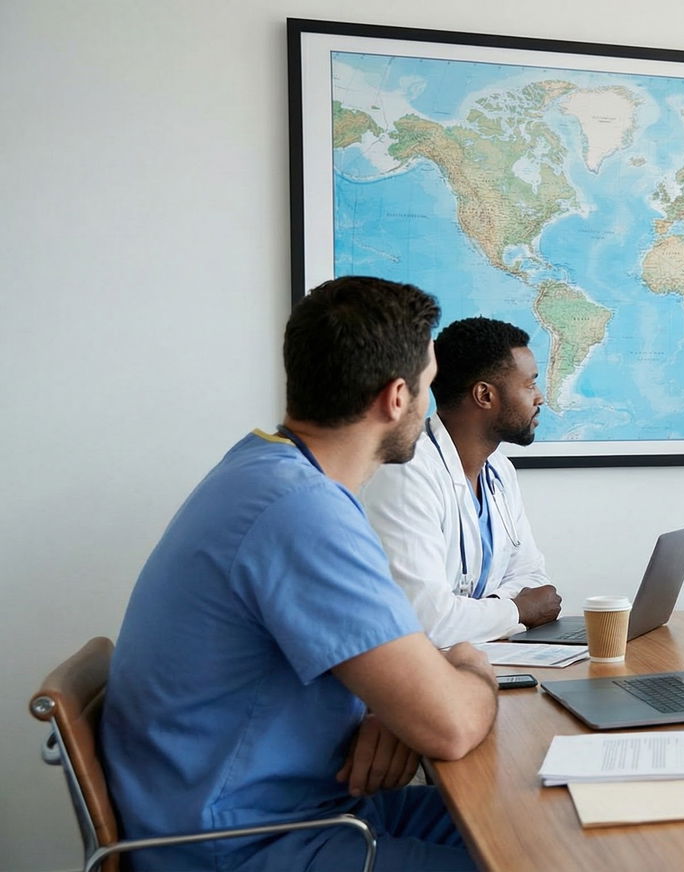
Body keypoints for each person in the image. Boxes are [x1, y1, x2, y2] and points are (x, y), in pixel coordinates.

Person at [100, 276, 498, 871]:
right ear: (396, 398)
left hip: (301, 809)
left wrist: (396, 708)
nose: (430, 408)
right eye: (429, 388)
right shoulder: (301, 513)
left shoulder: (264, 469)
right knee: (530, 851)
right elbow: (450, 727)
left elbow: (410, 692)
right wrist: (472, 664)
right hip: (249, 846)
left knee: (528, 829)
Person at [363, 317, 561, 647]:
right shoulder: (406, 472)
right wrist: (515, 611)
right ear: (484, 395)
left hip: (483, 656)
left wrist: (477, 614)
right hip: (416, 676)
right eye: (529, 385)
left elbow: (534, 581)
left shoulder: (499, 470)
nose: (540, 398)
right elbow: (428, 622)